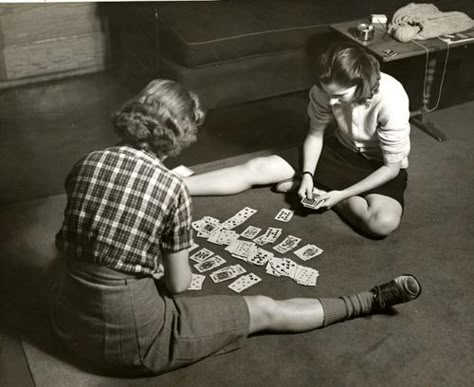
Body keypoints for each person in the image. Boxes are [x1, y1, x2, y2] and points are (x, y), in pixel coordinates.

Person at [51, 79, 421, 377]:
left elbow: (69, 239)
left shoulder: (89, 160)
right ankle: (368, 301)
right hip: (133, 345)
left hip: (66, 322)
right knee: (262, 309)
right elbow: (179, 286)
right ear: (181, 136)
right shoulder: (172, 188)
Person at [185, 42, 411, 238]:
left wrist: (342, 195)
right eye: (327, 94)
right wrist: (307, 176)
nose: (331, 103)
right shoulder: (324, 90)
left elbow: (391, 168)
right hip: (338, 151)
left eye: (339, 97)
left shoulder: (392, 98)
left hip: (377, 166)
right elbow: (315, 135)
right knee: (260, 167)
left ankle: (331, 196)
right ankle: (179, 185)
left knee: (383, 223)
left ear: (361, 85)